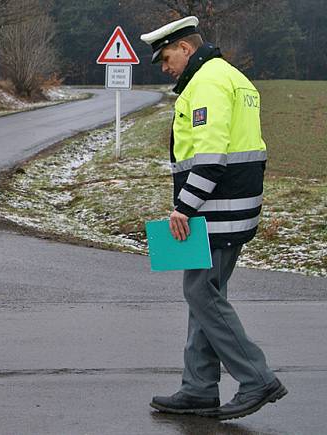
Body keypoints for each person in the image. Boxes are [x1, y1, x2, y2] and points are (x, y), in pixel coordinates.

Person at [140, 16, 286, 420]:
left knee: (202, 294)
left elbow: (210, 157)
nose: (166, 67)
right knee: (205, 295)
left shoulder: (206, 84)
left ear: (186, 48)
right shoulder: (233, 77)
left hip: (213, 212)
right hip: (232, 208)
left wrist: (183, 208)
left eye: (167, 57)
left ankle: (256, 378)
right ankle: (199, 388)